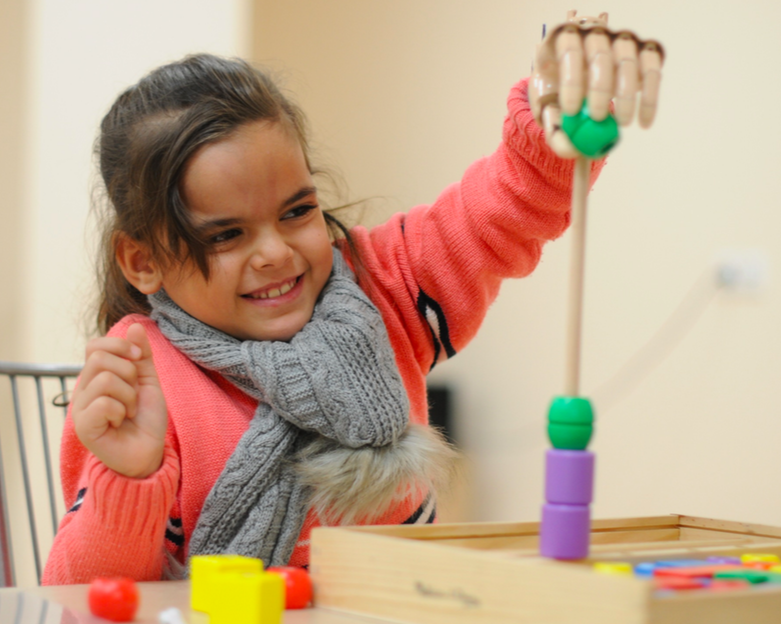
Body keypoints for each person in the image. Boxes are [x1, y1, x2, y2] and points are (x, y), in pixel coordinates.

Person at [42, 50, 606, 585]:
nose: (276, 253)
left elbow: (502, 210)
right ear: (143, 260)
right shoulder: (139, 382)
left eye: (297, 211)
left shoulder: (381, 286)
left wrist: (551, 128)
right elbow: (78, 600)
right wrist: (130, 479)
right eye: (227, 235)